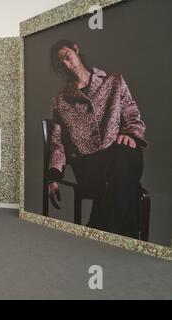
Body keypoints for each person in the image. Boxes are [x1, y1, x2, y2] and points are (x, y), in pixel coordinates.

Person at [48, 40, 147, 238]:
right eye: (61, 64)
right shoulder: (61, 101)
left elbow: (133, 118)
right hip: (89, 166)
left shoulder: (114, 82)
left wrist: (129, 135)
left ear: (76, 50)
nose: (67, 65)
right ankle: (119, 234)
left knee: (127, 152)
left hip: (118, 158)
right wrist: (54, 176)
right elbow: (57, 142)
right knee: (128, 180)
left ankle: (98, 228)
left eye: (67, 57)